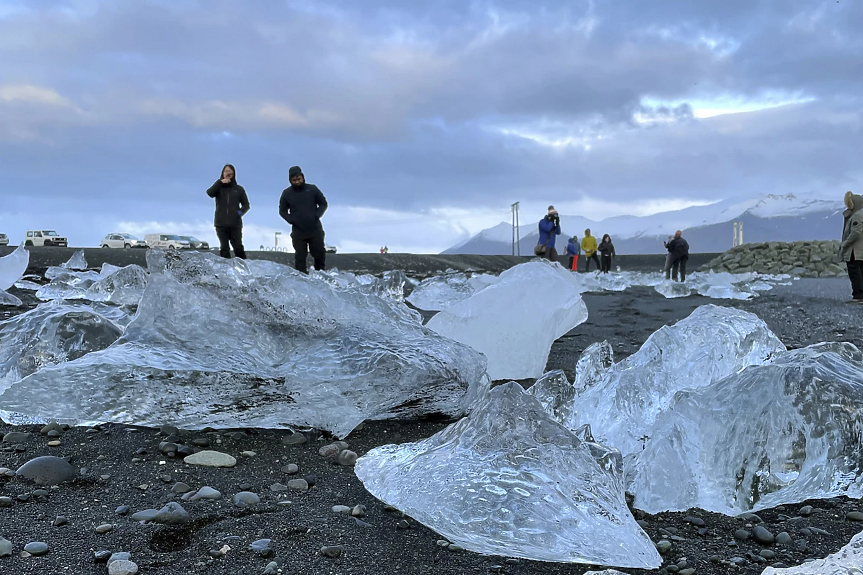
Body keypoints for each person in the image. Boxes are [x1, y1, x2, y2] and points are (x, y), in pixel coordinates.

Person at [279, 166, 328, 273]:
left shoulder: (312, 189)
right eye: (294, 180)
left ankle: (320, 277)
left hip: (315, 229)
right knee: (300, 257)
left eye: (299, 179)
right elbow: (282, 211)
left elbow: (323, 203)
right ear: (290, 180)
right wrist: (291, 220)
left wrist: (316, 215)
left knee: (319, 253)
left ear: (303, 177)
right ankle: (301, 279)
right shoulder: (287, 193)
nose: (297, 182)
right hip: (298, 231)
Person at [206, 164, 250, 259]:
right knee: (224, 248)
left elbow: (246, 205)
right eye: (226, 171)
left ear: (233, 174)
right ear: (222, 173)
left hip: (235, 224)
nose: (227, 173)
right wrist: (220, 182)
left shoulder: (239, 189)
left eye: (230, 172)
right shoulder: (219, 188)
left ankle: (244, 267)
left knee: (238, 247)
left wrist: (238, 214)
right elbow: (209, 193)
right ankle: (226, 270)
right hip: (220, 224)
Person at [840, 191, 863, 303]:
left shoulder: (857, 216)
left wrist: (845, 243)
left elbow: (856, 232)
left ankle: (858, 295)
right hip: (860, 249)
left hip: (855, 250)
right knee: (860, 271)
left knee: (854, 272)